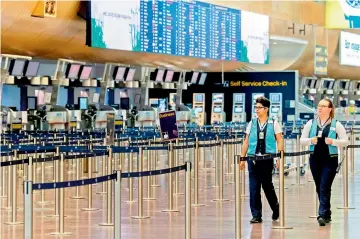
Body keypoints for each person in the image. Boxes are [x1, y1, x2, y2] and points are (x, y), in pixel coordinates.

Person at [300, 99, 349, 226]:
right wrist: (311, 140)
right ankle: (327, 213)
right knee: (319, 187)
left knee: (324, 186)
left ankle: (321, 214)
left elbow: (346, 141)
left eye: (323, 106)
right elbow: (302, 140)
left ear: (330, 109)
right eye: (319, 106)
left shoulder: (336, 124)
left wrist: (333, 142)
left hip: (330, 159)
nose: (320, 108)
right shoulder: (310, 123)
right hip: (315, 159)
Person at [240, 96, 284, 223]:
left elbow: (280, 140)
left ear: (266, 109)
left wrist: (279, 158)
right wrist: (242, 158)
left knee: (267, 186)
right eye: (256, 107)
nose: (257, 110)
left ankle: (276, 207)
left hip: (267, 159)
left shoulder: (274, 123)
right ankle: (256, 215)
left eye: (259, 107)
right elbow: (246, 141)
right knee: (253, 187)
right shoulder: (252, 123)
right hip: (252, 159)